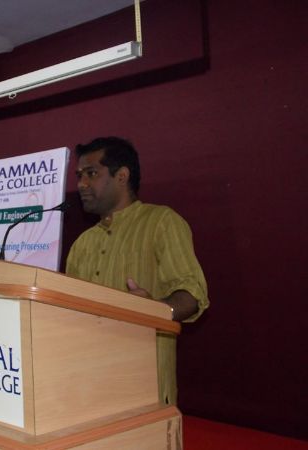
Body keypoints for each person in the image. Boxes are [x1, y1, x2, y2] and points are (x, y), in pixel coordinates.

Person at [65, 136, 209, 405]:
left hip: (144, 389)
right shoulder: (82, 244)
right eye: (79, 176)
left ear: (122, 176)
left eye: (91, 174)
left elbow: (192, 294)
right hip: (88, 385)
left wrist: (153, 310)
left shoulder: (161, 222)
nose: (81, 184)